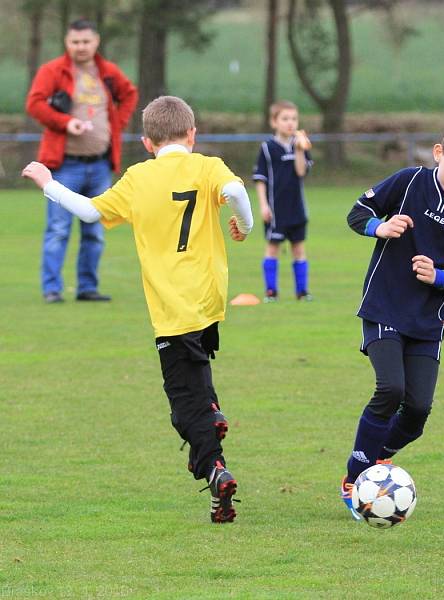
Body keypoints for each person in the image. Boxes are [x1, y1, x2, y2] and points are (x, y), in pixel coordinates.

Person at [22, 96, 254, 523]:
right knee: (196, 381)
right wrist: (246, 224)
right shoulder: (207, 166)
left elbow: (90, 213)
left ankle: (215, 471)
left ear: (147, 142)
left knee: (184, 405)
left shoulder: (138, 177)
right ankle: (211, 412)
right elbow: (237, 190)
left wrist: (48, 183)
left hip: (172, 309)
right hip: (209, 301)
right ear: (192, 134)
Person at [339, 120, 444, 520]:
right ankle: (356, 480)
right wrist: (381, 227)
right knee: (390, 388)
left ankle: (378, 460)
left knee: (418, 410)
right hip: (383, 307)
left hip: (428, 324)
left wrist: (439, 276)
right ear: (439, 153)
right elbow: (357, 213)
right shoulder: (408, 183)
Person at [26, 18, 138, 304]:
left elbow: (130, 94)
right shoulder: (53, 71)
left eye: (86, 41)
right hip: (65, 163)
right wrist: (65, 122)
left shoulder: (107, 72)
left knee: (95, 230)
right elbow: (34, 104)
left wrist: (118, 124)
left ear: (96, 41)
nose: (81, 47)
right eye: (75, 42)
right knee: (58, 229)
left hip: (100, 163)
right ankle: (52, 288)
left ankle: (87, 287)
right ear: (67, 43)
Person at [252, 100, 313, 301]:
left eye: (294, 119)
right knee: (272, 249)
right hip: (276, 210)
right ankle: (271, 292)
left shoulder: (301, 145)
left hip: (297, 209)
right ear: (274, 122)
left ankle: (302, 292)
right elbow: (260, 179)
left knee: (299, 249)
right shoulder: (267, 148)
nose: (290, 123)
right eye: (285, 119)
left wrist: (299, 150)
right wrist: (263, 205)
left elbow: (301, 171)